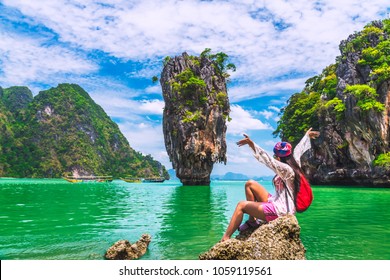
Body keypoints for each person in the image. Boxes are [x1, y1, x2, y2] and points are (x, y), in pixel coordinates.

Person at [220, 128, 320, 242]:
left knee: (241, 206)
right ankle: (252, 221)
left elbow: (268, 161)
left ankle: (225, 239)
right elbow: (299, 149)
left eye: (275, 156)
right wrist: (306, 135)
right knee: (250, 184)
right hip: (276, 201)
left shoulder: (286, 170)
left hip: (281, 211)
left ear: (279, 157)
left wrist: (252, 145)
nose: (274, 158)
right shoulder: (294, 163)